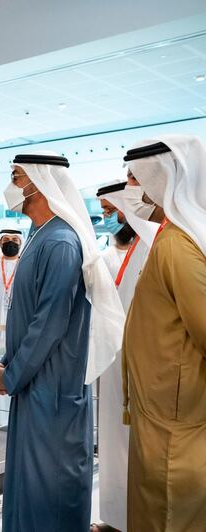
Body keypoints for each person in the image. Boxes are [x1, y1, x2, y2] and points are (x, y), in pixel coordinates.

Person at [0, 152, 124, 532]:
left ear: (38, 182)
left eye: (17, 178)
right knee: (28, 487)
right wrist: (9, 366)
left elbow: (48, 324)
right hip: (36, 387)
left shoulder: (61, 242)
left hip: (54, 390)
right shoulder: (40, 237)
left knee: (50, 490)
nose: (12, 187)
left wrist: (10, 375)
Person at [121, 136, 206, 531]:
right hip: (162, 414)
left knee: (169, 516)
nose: (129, 188)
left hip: (177, 421)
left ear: (160, 181)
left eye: (134, 177)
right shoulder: (169, 239)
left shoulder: (177, 245)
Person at [91, 181, 157, 532]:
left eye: (110, 210)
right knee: (114, 441)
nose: (108, 218)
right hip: (113, 359)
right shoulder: (112, 252)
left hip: (144, 360)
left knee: (138, 445)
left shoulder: (155, 244)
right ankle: (115, 518)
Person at [98, 183, 138, 279]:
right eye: (105, 211)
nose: (107, 216)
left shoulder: (147, 250)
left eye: (110, 209)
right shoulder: (104, 257)